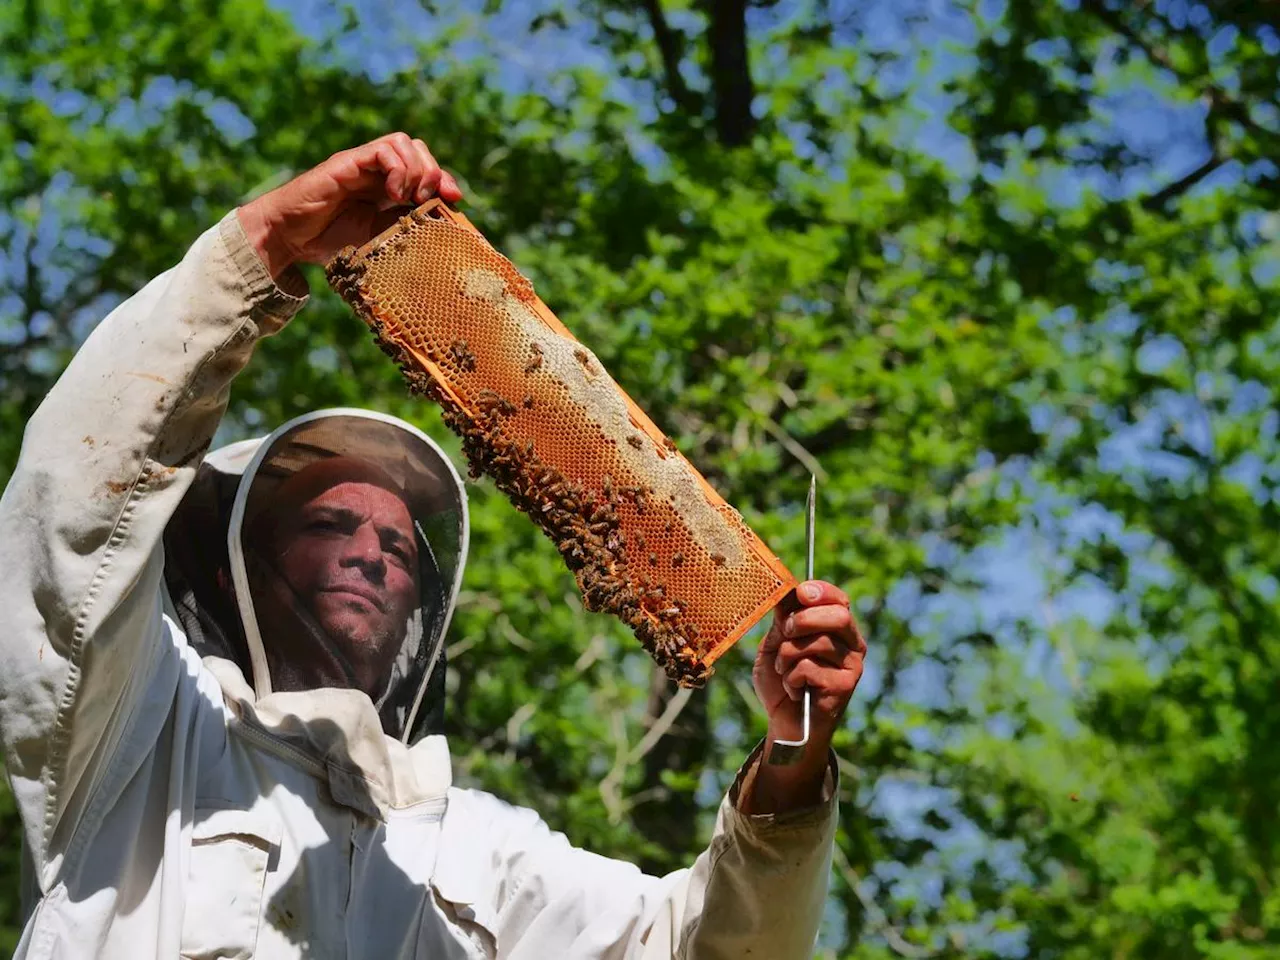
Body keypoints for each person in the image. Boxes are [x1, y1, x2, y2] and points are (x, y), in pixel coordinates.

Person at [0, 132, 867, 959]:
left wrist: (791, 765)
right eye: (329, 523)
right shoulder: (147, 735)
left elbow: (698, 947)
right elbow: (74, 508)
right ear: (237, 575)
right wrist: (260, 245)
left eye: (399, 545)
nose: (373, 553)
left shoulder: (479, 854)